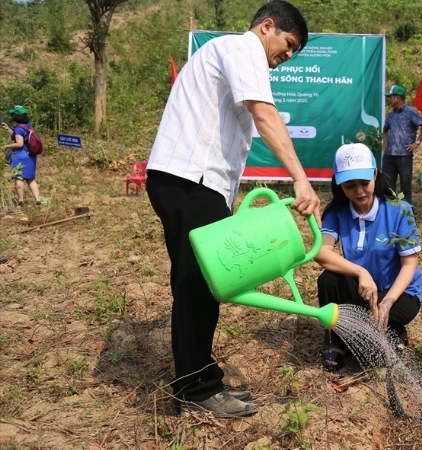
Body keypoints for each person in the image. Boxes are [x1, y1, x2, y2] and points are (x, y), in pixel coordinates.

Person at [145, 1, 320, 418]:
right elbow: (265, 114)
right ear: (267, 26)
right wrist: (299, 177)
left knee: (203, 282)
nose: (287, 56)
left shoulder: (225, 54)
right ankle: (197, 389)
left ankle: (201, 377)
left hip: (193, 183)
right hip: (190, 181)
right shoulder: (243, 50)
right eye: (288, 43)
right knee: (197, 285)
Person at [315, 143, 422, 371]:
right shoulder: (337, 212)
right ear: (339, 183)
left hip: (399, 293)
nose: (359, 191)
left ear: (375, 174)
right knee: (328, 280)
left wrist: (388, 302)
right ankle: (335, 343)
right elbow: (322, 253)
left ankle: (390, 332)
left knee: (366, 322)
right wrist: (360, 272)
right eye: (350, 185)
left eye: (364, 183)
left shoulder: (400, 210)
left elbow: (409, 264)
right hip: (362, 288)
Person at [382, 85, 422, 204]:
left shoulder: (410, 112)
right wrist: (386, 142)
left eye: (390, 97)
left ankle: (406, 212)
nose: (389, 100)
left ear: (397, 98)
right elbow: (385, 129)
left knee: (405, 186)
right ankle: (390, 210)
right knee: (387, 185)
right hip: (389, 155)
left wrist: (417, 142)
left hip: (404, 155)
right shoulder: (391, 115)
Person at [2, 106, 42, 207]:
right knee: (31, 179)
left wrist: (6, 146)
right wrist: (7, 129)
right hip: (30, 155)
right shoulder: (28, 126)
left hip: (20, 155)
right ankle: (38, 200)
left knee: (18, 178)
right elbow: (19, 137)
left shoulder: (19, 128)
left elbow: (19, 143)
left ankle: (21, 201)